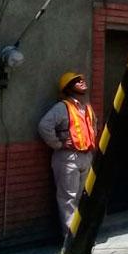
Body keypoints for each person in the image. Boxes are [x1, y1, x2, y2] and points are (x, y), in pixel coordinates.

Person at [38, 71, 97, 235]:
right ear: (68, 88)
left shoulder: (87, 108)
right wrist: (58, 144)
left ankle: (80, 234)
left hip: (86, 156)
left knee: (82, 197)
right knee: (68, 198)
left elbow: (93, 128)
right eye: (77, 81)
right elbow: (44, 126)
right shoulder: (62, 107)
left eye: (82, 79)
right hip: (68, 157)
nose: (82, 82)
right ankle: (71, 239)